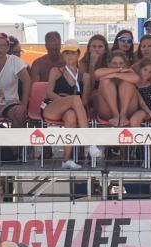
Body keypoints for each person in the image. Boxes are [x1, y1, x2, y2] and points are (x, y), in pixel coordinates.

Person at [42, 39, 102, 169]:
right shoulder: (56, 71)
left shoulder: (84, 76)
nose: (70, 56)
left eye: (73, 53)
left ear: (78, 55)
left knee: (71, 116)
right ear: (63, 55)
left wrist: (70, 103)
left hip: (71, 110)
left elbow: (85, 100)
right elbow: (49, 93)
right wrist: (65, 101)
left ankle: (66, 160)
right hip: (53, 106)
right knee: (74, 99)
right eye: (67, 53)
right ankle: (90, 143)